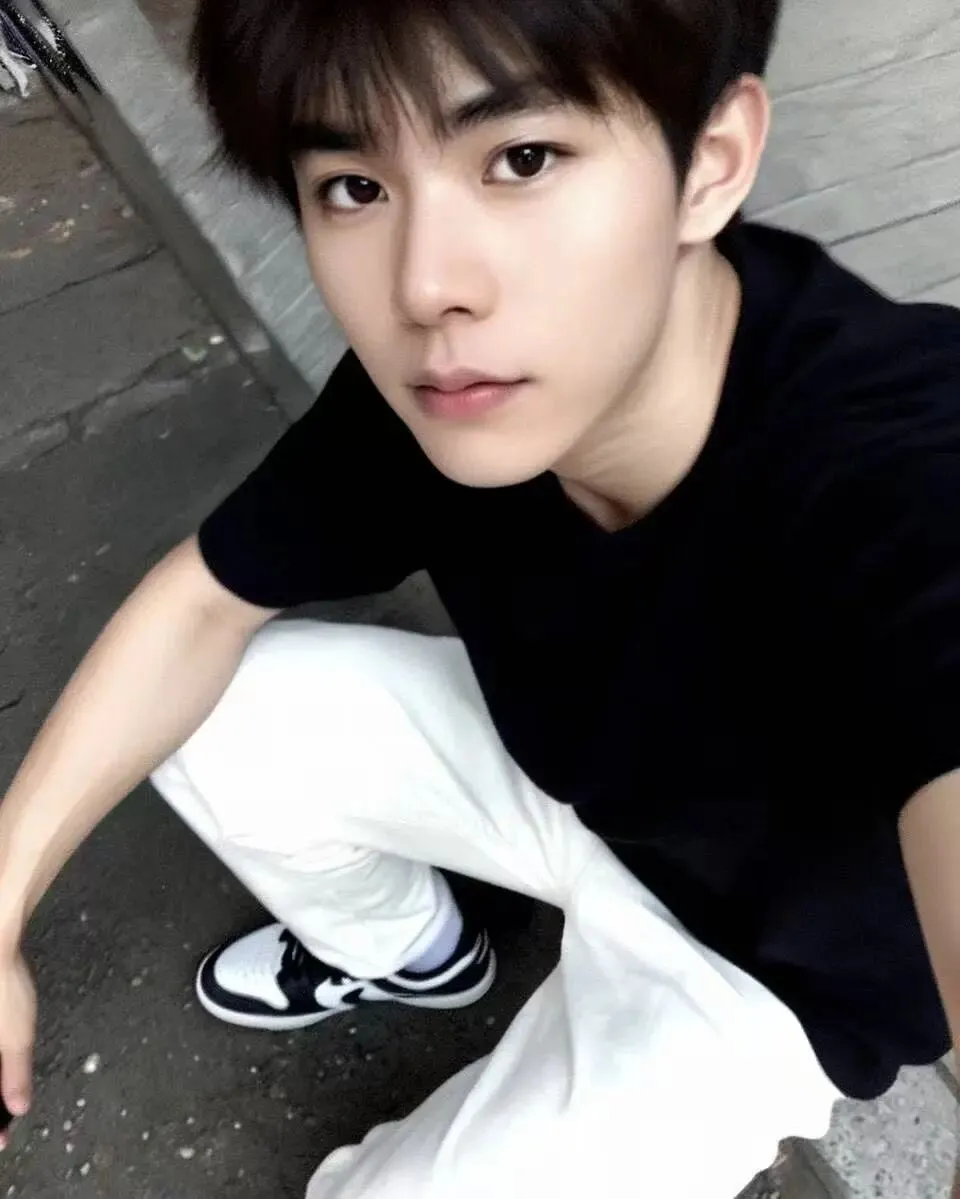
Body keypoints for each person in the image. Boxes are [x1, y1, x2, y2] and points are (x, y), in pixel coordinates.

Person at [1, 0, 959, 1195]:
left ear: (710, 163)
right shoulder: (455, 384)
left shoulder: (897, 453)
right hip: (574, 784)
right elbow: (201, 600)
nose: (427, 284)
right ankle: (412, 950)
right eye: (355, 185)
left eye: (523, 158)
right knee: (208, 706)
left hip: (761, 974)